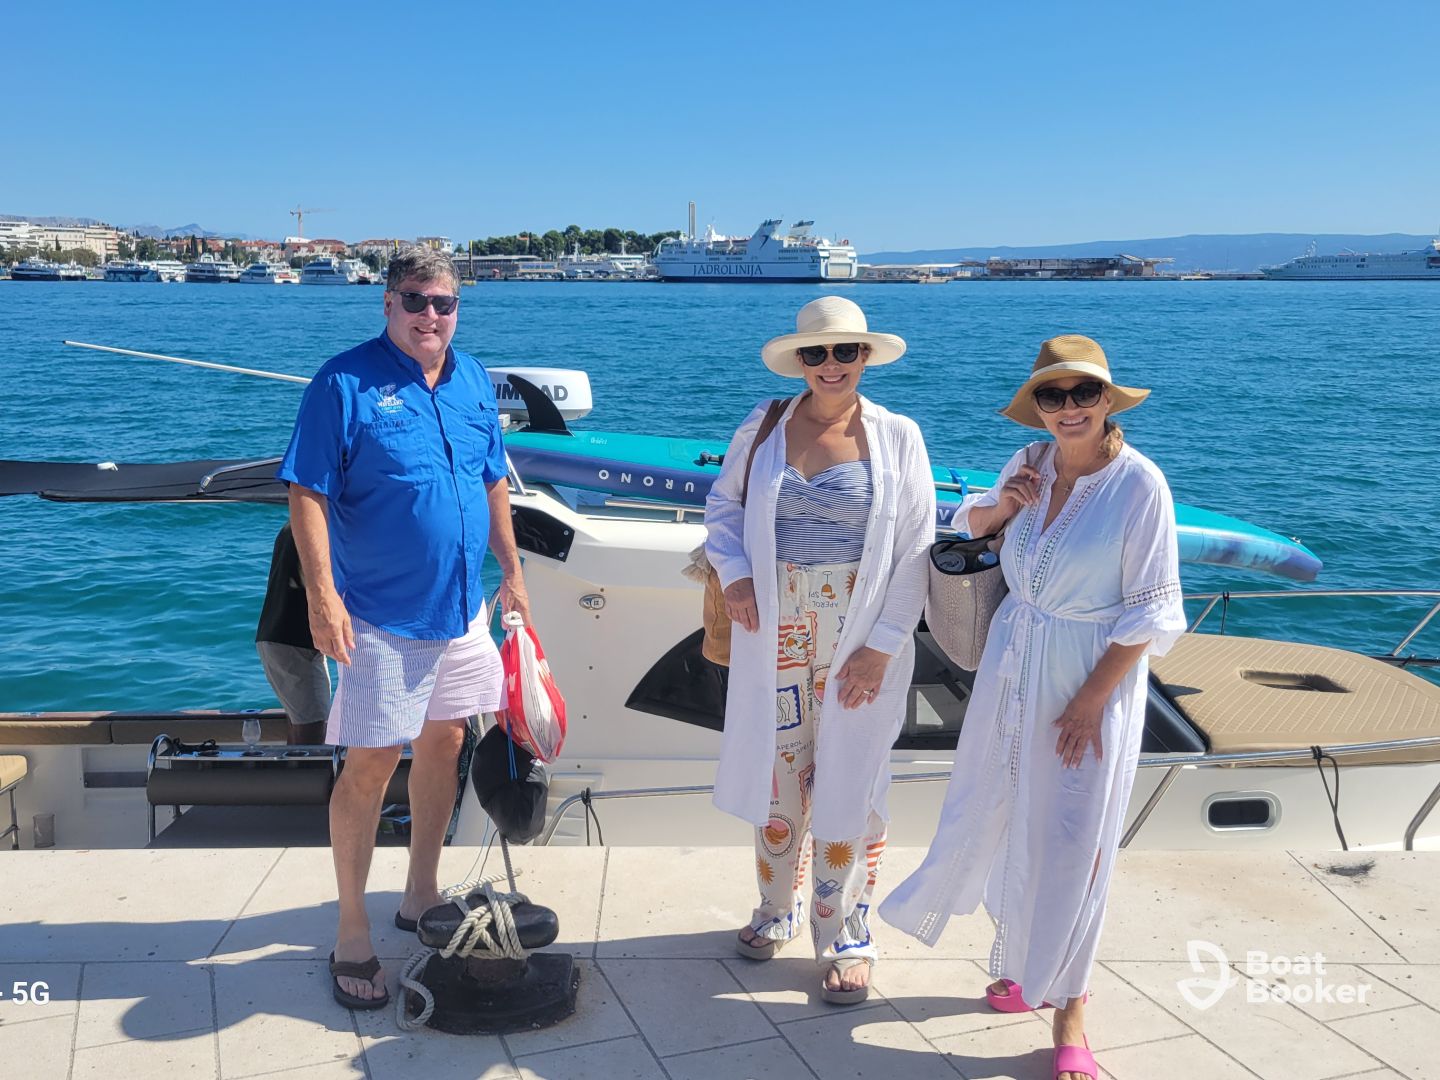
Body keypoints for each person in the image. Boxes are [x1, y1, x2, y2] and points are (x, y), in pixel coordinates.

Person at [879, 335, 1186, 1080]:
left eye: (1085, 393)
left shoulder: (1139, 485)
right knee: (1006, 812)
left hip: (1088, 677)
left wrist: (1088, 704)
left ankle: (1072, 1005)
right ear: (1037, 406)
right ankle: (1028, 968)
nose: (1069, 407)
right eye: (1053, 395)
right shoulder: (1030, 462)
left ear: (1108, 400)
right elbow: (972, 531)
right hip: (1014, 666)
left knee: (1077, 841)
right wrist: (1004, 505)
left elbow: (1152, 612)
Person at [277, 247, 531, 1011]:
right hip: (381, 614)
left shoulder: (473, 379)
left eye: (444, 303)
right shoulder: (343, 382)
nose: (430, 315)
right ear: (387, 303)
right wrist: (322, 597)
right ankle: (351, 930)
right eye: (415, 300)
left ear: (458, 309)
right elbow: (307, 492)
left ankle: (420, 892)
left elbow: (492, 479)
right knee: (371, 763)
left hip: (461, 608)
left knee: (447, 741)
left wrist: (512, 570)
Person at [705, 296, 935, 1005]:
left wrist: (884, 646)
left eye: (845, 351)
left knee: (852, 782)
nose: (831, 365)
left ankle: (847, 934)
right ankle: (777, 908)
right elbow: (724, 507)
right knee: (779, 778)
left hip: (858, 634)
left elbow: (916, 548)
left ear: (865, 357)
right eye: (816, 353)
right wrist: (736, 576)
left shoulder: (897, 436)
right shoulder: (765, 424)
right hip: (774, 628)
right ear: (799, 361)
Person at [255, 522, 330, 745]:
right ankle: (306, 768)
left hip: (275, 634)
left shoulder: (293, 526)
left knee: (300, 722)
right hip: (294, 641)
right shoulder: (321, 528)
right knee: (314, 727)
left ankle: (293, 766)